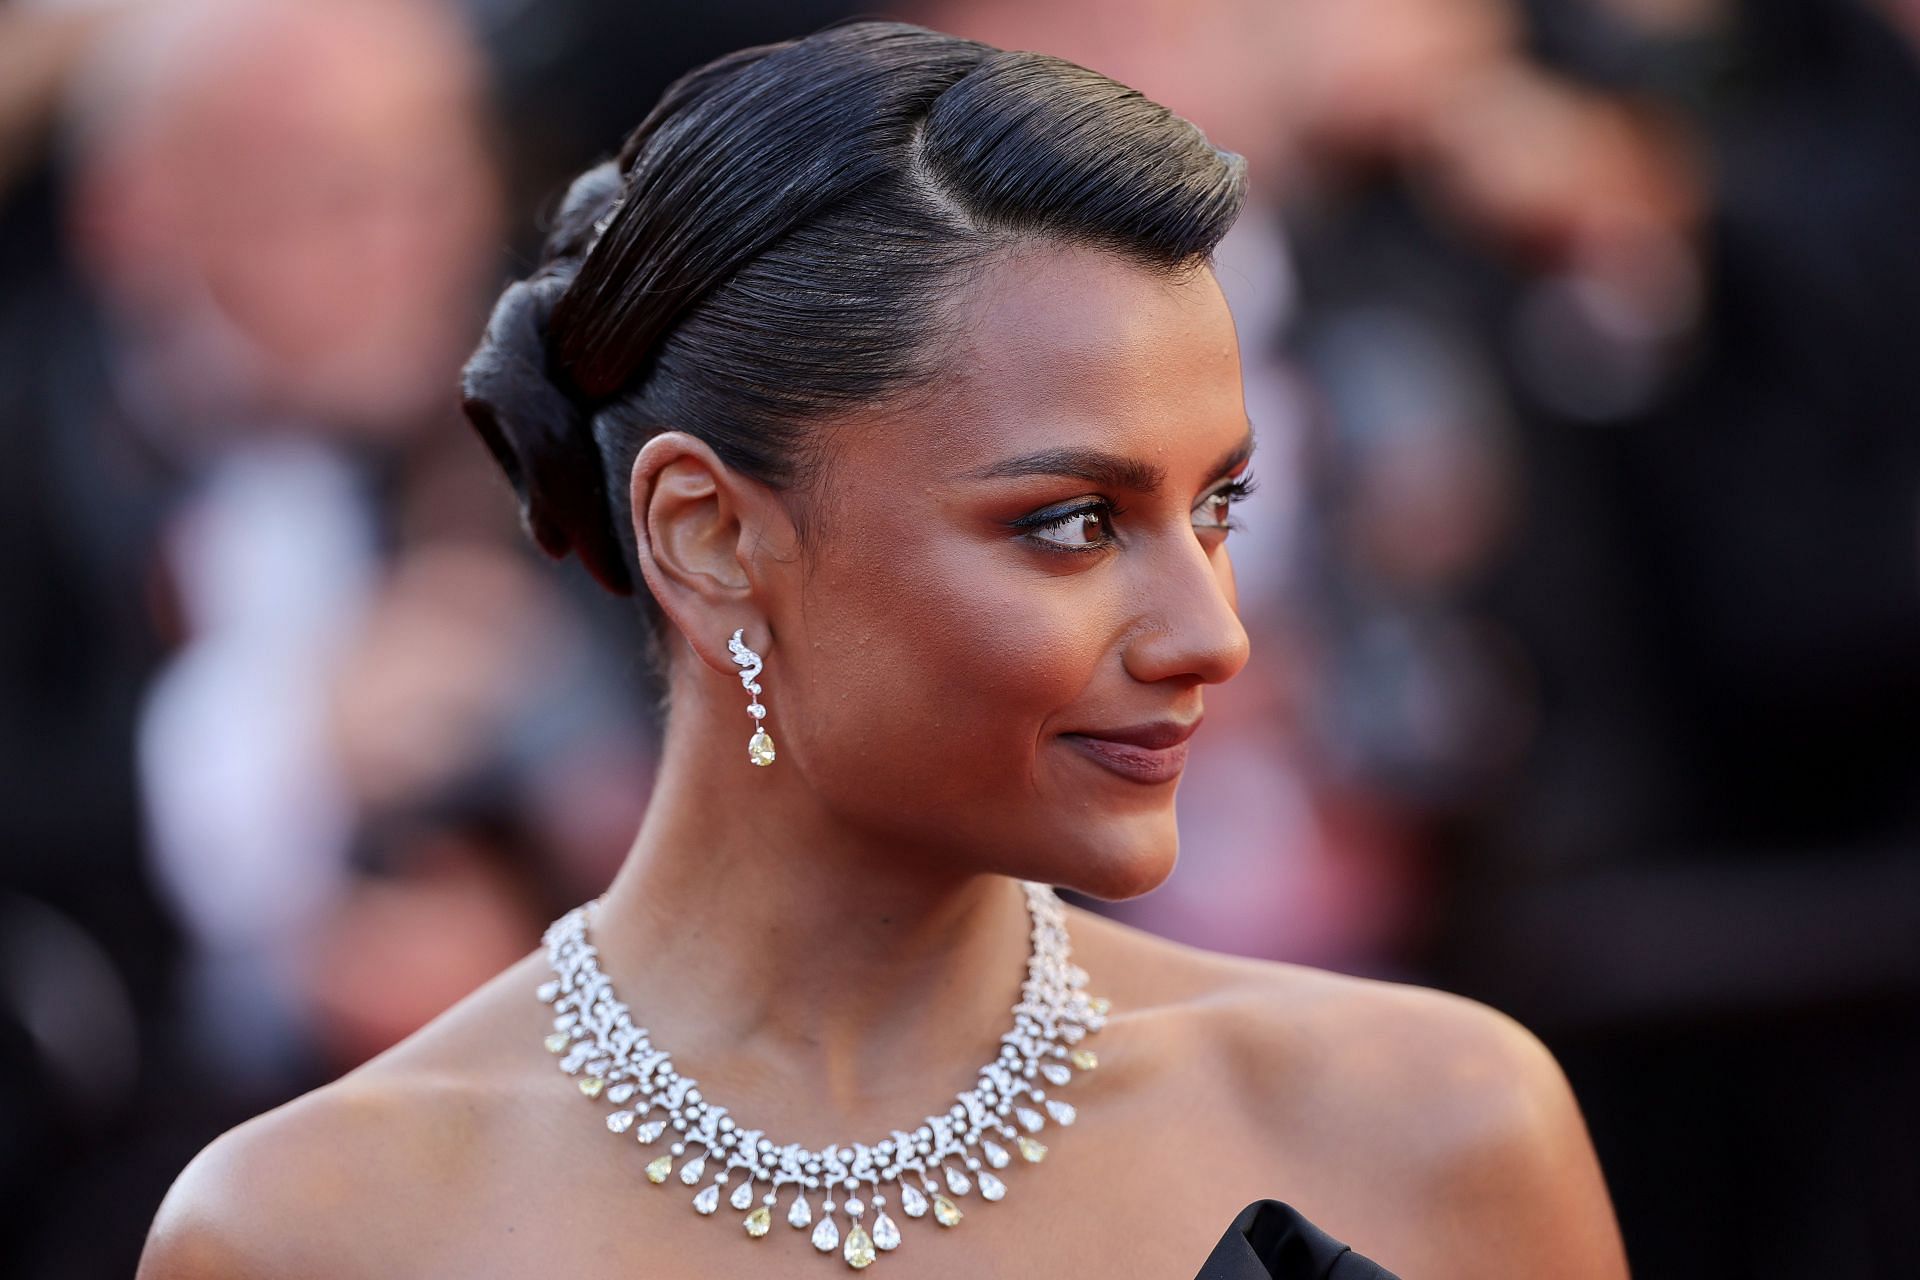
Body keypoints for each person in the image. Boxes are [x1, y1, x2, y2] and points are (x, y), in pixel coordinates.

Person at [137, 21, 1627, 1278]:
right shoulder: (314, 1231)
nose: (1210, 635)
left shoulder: (1433, 1129)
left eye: (1217, 505)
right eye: (1072, 522)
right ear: (710, 539)